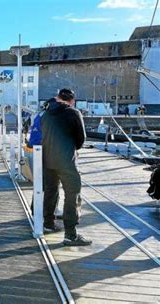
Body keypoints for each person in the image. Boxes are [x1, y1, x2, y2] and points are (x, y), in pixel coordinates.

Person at [41, 88, 92, 246]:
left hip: (47, 159)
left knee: (50, 191)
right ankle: (70, 234)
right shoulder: (73, 113)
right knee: (72, 194)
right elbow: (81, 139)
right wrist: (71, 147)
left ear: (57, 98)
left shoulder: (46, 113)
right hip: (66, 160)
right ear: (71, 100)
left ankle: (48, 224)